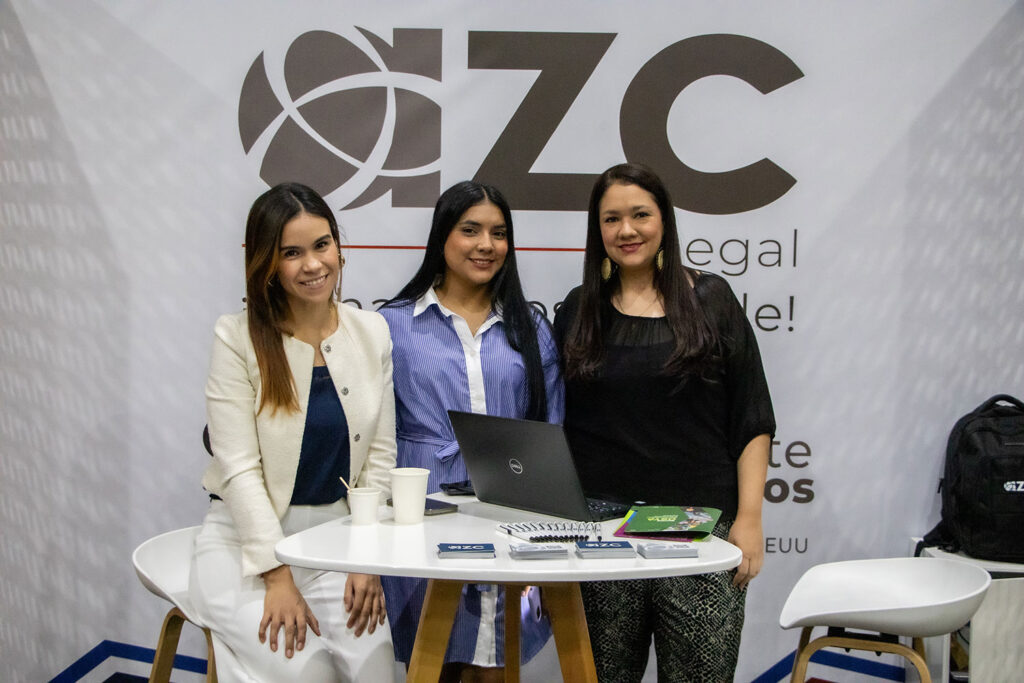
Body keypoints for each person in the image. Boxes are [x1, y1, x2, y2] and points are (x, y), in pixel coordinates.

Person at [553, 163, 775, 682]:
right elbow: (557, 421)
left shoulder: (712, 300)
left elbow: (752, 417)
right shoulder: (580, 309)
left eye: (640, 215)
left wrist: (749, 519)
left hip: (699, 527)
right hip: (600, 529)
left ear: (664, 221)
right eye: (611, 219)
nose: (626, 230)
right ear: (598, 229)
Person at [189, 183, 397, 682]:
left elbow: (380, 457)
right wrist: (276, 576)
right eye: (291, 253)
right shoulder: (236, 336)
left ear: (339, 248)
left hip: (336, 544)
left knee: (378, 675)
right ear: (267, 264)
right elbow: (238, 469)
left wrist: (366, 558)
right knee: (312, 673)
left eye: (322, 245)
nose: (313, 264)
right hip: (245, 550)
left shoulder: (371, 331)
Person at [378, 180, 564, 682]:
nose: (486, 245)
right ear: (442, 235)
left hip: (508, 513)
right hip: (423, 510)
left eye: (499, 233)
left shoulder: (531, 328)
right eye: (470, 230)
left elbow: (550, 430)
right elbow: (372, 436)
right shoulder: (392, 325)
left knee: (496, 664)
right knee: (432, 661)